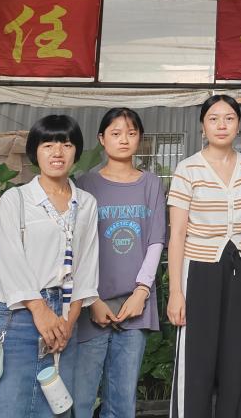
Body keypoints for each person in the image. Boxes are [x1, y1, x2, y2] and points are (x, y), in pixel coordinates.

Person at [0, 115, 99, 418]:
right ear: (35, 151)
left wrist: (69, 321)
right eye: (48, 144)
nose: (57, 152)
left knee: (53, 406)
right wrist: (40, 311)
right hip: (18, 315)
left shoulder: (87, 203)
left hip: (66, 314)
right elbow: (9, 260)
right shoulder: (15, 199)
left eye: (66, 145)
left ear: (76, 152)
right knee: (4, 405)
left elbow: (88, 264)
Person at [167, 95, 241, 418]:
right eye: (213, 118)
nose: (222, 125)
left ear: (238, 124)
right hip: (200, 269)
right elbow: (177, 234)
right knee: (198, 357)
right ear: (202, 126)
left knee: (238, 354)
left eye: (229, 118)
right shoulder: (187, 169)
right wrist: (176, 292)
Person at [74, 108, 167, 418]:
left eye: (131, 133)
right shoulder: (84, 184)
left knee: (122, 400)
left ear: (140, 139)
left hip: (135, 304)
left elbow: (156, 240)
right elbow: (77, 246)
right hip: (91, 304)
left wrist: (141, 291)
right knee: (80, 397)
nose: (124, 140)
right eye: (115, 133)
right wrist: (91, 299)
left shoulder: (151, 183)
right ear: (102, 139)